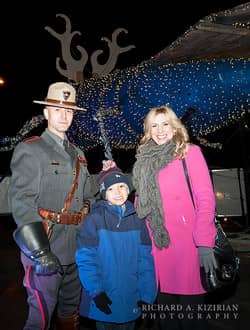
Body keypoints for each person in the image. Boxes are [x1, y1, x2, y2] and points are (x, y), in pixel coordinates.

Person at [9, 82, 96, 330]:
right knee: (41, 318)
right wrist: (40, 252)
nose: (64, 116)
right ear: (46, 112)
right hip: (46, 244)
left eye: (69, 111)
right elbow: (22, 200)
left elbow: (89, 193)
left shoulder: (79, 153)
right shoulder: (31, 149)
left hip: (76, 247)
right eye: (57, 110)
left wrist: (112, 178)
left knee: (70, 316)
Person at [132, 105, 217, 330]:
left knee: (190, 319)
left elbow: (206, 200)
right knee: (166, 319)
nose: (160, 130)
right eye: (154, 126)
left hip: (188, 246)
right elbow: (140, 204)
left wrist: (204, 243)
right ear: (148, 131)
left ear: (174, 127)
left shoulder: (189, 153)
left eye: (165, 124)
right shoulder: (144, 162)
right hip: (158, 248)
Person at [75, 166, 157, 330]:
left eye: (121, 186)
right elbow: (86, 259)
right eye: (111, 188)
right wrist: (96, 291)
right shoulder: (94, 219)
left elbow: (146, 260)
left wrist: (147, 296)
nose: (117, 192)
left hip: (131, 298)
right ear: (104, 193)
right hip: (105, 296)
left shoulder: (139, 220)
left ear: (128, 189)